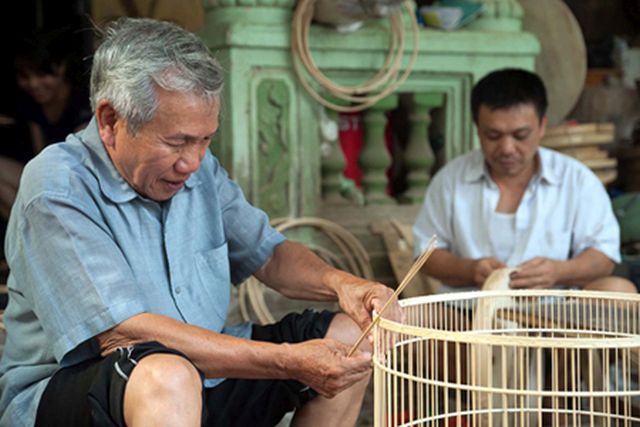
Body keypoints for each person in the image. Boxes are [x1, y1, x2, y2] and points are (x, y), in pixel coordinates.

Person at [0, 18, 400, 427]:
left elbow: (271, 255)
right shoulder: (57, 186)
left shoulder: (198, 170)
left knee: (350, 340)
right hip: (91, 391)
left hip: (200, 376)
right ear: (109, 121)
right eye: (176, 142)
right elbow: (125, 334)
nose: (192, 162)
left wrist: (344, 284)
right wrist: (286, 361)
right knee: (168, 375)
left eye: (205, 139)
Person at [413, 68, 637, 294]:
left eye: (520, 136)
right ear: (477, 128)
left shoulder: (576, 180)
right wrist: (471, 269)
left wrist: (558, 271)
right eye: (493, 135)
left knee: (619, 290)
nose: (507, 149)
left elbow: (604, 256)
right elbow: (425, 254)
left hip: (554, 311)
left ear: (542, 126)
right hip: (469, 310)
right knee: (417, 317)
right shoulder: (450, 180)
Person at [14, 28, 92, 154]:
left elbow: (79, 157)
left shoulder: (83, 103)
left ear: (61, 67)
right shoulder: (30, 103)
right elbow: (39, 156)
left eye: (41, 74)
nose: (33, 84)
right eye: (25, 76)